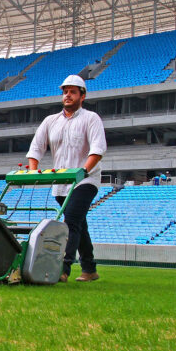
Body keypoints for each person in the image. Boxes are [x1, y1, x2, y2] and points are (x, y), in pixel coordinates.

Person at [27, 74, 106, 283]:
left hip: (85, 181)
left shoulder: (91, 119)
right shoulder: (50, 121)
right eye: (65, 92)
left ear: (82, 96)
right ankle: (90, 269)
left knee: (70, 222)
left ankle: (62, 268)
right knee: (79, 224)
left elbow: (98, 150)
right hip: (61, 184)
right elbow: (36, 149)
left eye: (72, 92)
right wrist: (34, 170)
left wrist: (84, 171)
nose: (67, 96)